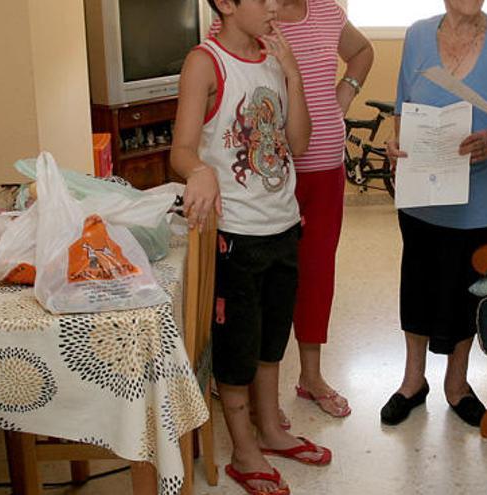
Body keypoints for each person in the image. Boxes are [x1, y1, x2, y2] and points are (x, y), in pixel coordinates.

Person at [171, 1, 329, 493]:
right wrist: (199, 171)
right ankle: (244, 450)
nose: (275, 7)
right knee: (238, 347)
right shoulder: (206, 62)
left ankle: (272, 430)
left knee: (270, 338)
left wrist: (294, 78)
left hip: (283, 223)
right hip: (234, 234)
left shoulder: (272, 56)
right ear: (228, 4)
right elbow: (181, 150)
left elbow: (297, 146)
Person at [210, 0, 374, 419]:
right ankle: (257, 394)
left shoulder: (327, 11)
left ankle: (311, 377)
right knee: (263, 285)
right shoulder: (244, 15)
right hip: (267, 179)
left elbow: (362, 51)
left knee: (316, 273)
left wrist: (344, 95)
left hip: (323, 168)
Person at [382, 0, 487, 428]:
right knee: (416, 284)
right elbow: (402, 105)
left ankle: (457, 383)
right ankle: (412, 382)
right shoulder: (417, 34)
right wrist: (397, 147)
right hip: (422, 194)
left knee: (468, 291)